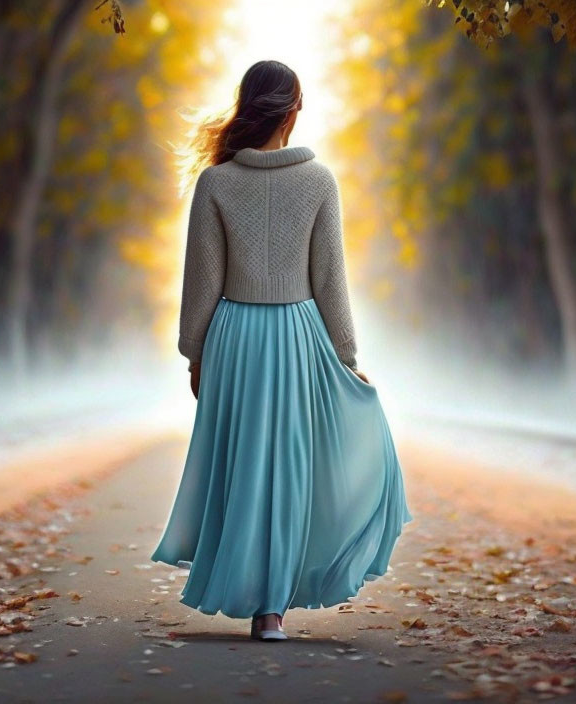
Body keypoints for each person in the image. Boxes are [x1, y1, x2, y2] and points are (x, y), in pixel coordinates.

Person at [150, 59, 413, 642]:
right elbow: (330, 282)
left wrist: (196, 352)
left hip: (235, 340)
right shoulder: (319, 182)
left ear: (248, 105)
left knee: (243, 466)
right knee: (290, 468)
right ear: (293, 108)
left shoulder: (215, 182)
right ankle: (272, 611)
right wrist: (346, 358)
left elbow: (203, 281)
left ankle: (249, 592)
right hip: (296, 338)